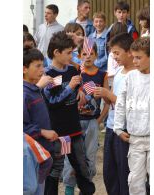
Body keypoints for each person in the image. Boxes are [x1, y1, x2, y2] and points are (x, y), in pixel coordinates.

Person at [43, 31, 95, 195]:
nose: (71, 56)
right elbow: (52, 102)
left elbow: (87, 85)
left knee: (81, 165)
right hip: (57, 133)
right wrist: (70, 87)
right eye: (68, 53)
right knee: (55, 169)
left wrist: (83, 93)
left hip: (74, 130)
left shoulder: (74, 69)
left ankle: (87, 191)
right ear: (56, 53)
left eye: (72, 52)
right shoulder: (47, 75)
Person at [63, 42, 109, 195]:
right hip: (72, 123)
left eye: (91, 54)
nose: (88, 57)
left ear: (97, 55)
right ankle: (69, 190)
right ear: (79, 55)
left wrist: (99, 120)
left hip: (92, 123)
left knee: (89, 158)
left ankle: (86, 190)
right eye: (84, 54)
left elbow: (107, 101)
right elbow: (64, 58)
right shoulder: (76, 71)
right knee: (69, 159)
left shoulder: (103, 74)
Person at [94, 33, 136, 195]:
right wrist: (103, 94)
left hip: (125, 130)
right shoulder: (119, 71)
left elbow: (132, 105)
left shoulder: (135, 76)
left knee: (124, 173)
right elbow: (112, 98)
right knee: (109, 173)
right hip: (111, 127)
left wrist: (108, 94)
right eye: (112, 52)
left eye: (117, 53)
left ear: (130, 52)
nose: (114, 56)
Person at [113, 37, 150, 195]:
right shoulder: (130, 77)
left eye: (139, 57)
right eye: (133, 56)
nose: (134, 61)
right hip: (135, 137)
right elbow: (120, 103)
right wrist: (118, 128)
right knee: (135, 181)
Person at [23, 48, 59, 194]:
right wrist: (43, 132)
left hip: (40, 153)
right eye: (37, 66)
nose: (42, 70)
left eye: (42, 65)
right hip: (30, 154)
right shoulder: (24, 93)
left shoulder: (34, 89)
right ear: (24, 69)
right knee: (30, 189)